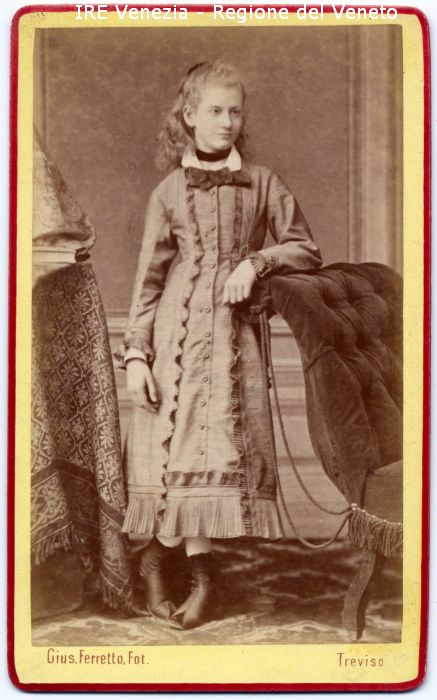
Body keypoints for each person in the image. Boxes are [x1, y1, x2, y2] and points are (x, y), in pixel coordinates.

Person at [114, 60, 323, 629]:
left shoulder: (264, 183)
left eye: (235, 111)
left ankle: (173, 564)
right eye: (215, 110)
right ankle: (180, 568)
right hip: (175, 343)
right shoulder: (167, 192)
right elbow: (148, 282)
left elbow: (305, 249)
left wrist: (256, 263)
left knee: (213, 455)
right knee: (177, 455)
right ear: (189, 116)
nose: (227, 121)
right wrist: (136, 356)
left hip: (234, 344)